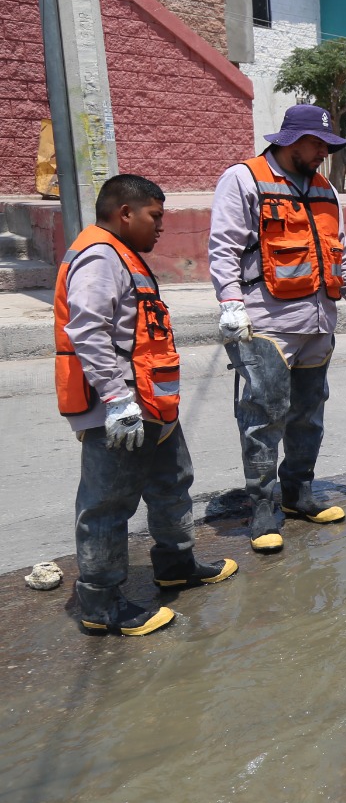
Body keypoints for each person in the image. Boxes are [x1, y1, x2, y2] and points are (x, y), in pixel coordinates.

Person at [55, 175, 237, 636]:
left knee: (172, 483)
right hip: (120, 409)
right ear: (125, 213)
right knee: (107, 505)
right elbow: (88, 331)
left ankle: (176, 564)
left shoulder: (122, 254)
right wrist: (117, 400)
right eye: (155, 216)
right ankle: (101, 603)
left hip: (153, 404)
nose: (161, 227)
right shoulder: (99, 255)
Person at [209, 104, 346, 554]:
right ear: (289, 141)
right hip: (266, 324)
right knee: (264, 417)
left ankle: (298, 493)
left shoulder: (324, 189)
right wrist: (230, 303)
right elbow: (223, 247)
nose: (324, 152)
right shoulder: (244, 179)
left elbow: (339, 252)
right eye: (317, 144)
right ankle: (264, 510)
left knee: (308, 414)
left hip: (318, 322)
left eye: (327, 145)